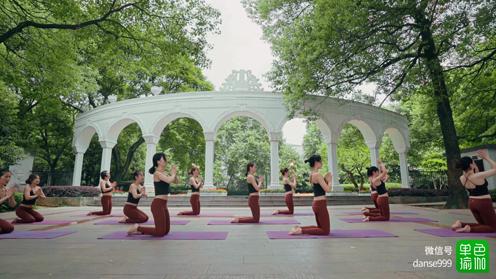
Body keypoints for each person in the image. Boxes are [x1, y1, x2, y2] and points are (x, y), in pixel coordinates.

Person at [128, 153, 178, 236]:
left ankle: (140, 229)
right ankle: (137, 228)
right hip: (157, 204)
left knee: (166, 231)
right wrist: (172, 174)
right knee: (160, 232)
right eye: (164, 158)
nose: (166, 160)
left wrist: (174, 174)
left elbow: (176, 181)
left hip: (164, 204)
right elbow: (169, 180)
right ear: (158, 161)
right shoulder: (157, 173)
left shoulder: (164, 173)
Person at [451, 150, 496, 233]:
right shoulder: (477, 176)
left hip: (472, 202)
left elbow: (475, 173)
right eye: (473, 162)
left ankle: (461, 224)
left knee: (484, 225)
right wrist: (487, 158)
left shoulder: (462, 178)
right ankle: (469, 229)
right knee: (493, 227)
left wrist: (473, 167)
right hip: (483, 202)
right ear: (471, 164)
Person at [289, 155, 332, 235]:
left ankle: (299, 228)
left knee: (320, 227)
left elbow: (319, 188)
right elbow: (328, 189)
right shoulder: (317, 175)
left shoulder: (312, 175)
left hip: (317, 204)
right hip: (320, 204)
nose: (322, 163)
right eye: (320, 161)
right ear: (316, 162)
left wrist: (325, 178)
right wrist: (329, 181)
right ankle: (301, 231)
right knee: (325, 231)